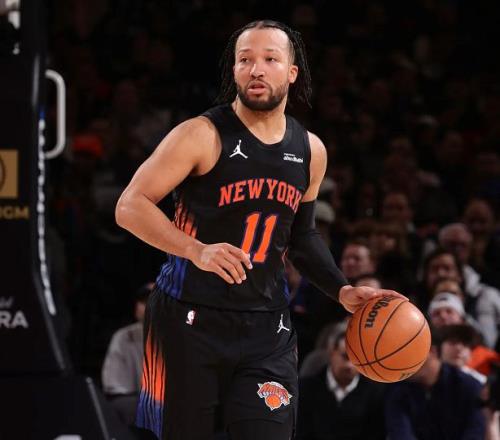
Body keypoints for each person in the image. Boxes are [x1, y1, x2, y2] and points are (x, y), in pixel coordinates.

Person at [115, 20, 404, 440]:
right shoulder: (201, 135)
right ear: (234, 71)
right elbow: (130, 206)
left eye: (270, 59)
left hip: (267, 329)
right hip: (188, 319)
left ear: (292, 72)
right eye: (245, 60)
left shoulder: (310, 150)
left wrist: (341, 290)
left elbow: (302, 237)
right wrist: (196, 249)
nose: (256, 69)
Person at [385, 328, 486, 440]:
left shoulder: (469, 386)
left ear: (432, 351)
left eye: (411, 355)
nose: (406, 363)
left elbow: (476, 432)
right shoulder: (398, 390)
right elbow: (400, 433)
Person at [297, 329, 386, 440]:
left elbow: (376, 434)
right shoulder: (305, 388)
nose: (350, 365)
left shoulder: (375, 392)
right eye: (345, 356)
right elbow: (300, 432)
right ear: (331, 353)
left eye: (357, 360)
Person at [101, 282, 153, 426]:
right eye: (144, 301)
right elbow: (115, 389)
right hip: (139, 407)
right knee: (123, 406)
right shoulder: (124, 337)